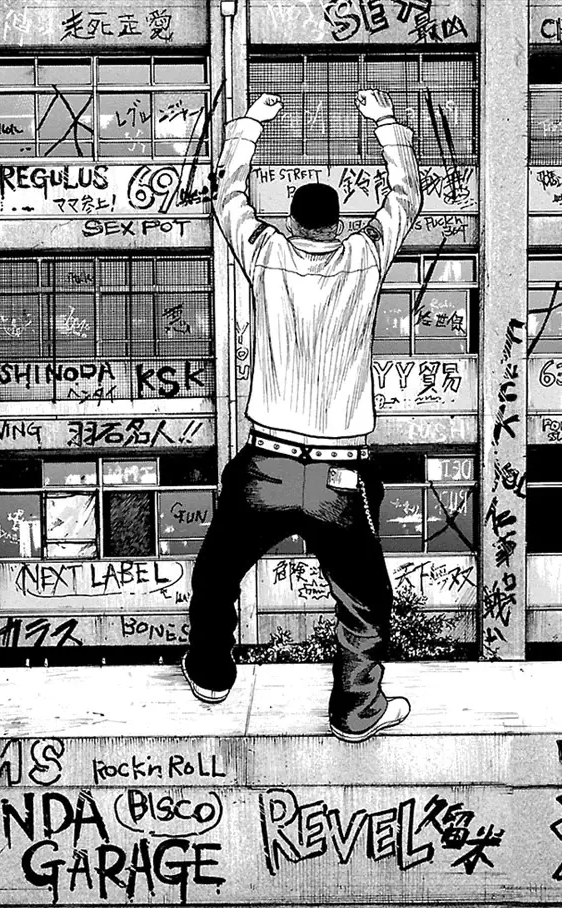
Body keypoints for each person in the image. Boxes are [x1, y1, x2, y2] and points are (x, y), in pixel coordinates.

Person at [181, 89, 422, 743]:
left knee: (216, 574)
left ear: (290, 220)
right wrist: (384, 123)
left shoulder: (265, 253)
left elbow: (228, 198)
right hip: (339, 475)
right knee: (364, 600)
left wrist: (249, 127)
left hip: (268, 463)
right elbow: (405, 197)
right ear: (338, 223)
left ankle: (211, 673)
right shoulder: (365, 256)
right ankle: (354, 711)